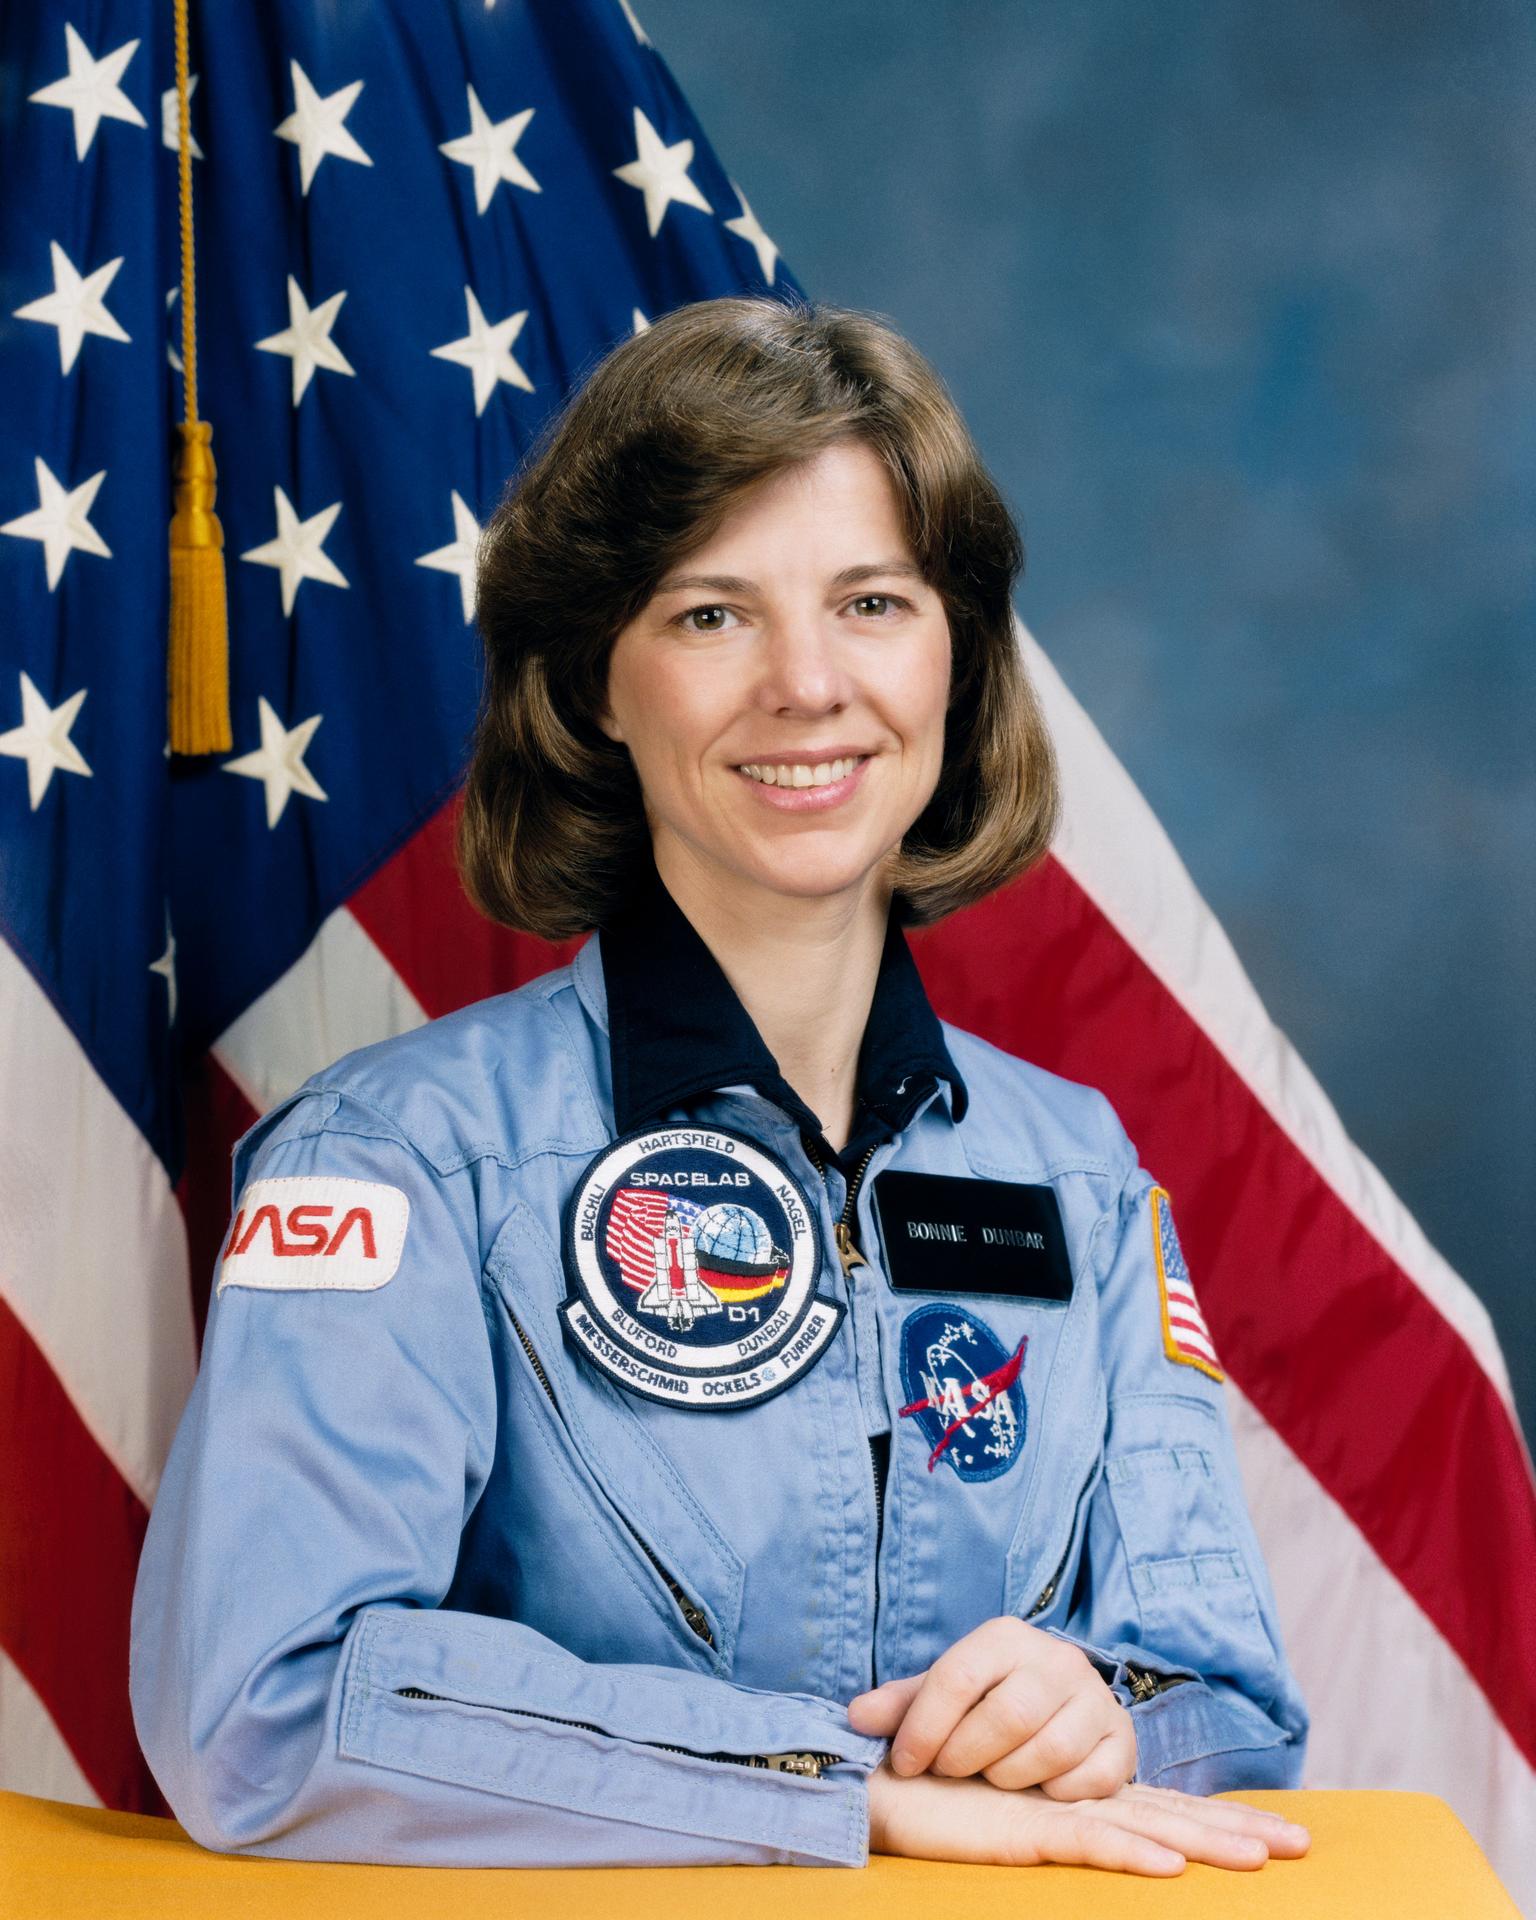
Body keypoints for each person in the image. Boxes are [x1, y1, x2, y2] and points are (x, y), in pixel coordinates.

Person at [130, 296, 1310, 1876]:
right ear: (597, 687)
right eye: (710, 616)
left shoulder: (1076, 1169)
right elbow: (261, 1707)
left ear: (957, 657)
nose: (808, 685)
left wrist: (1097, 1711)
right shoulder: (401, 1165)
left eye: (874, 602)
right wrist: (827, 1789)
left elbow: (1225, 1694)